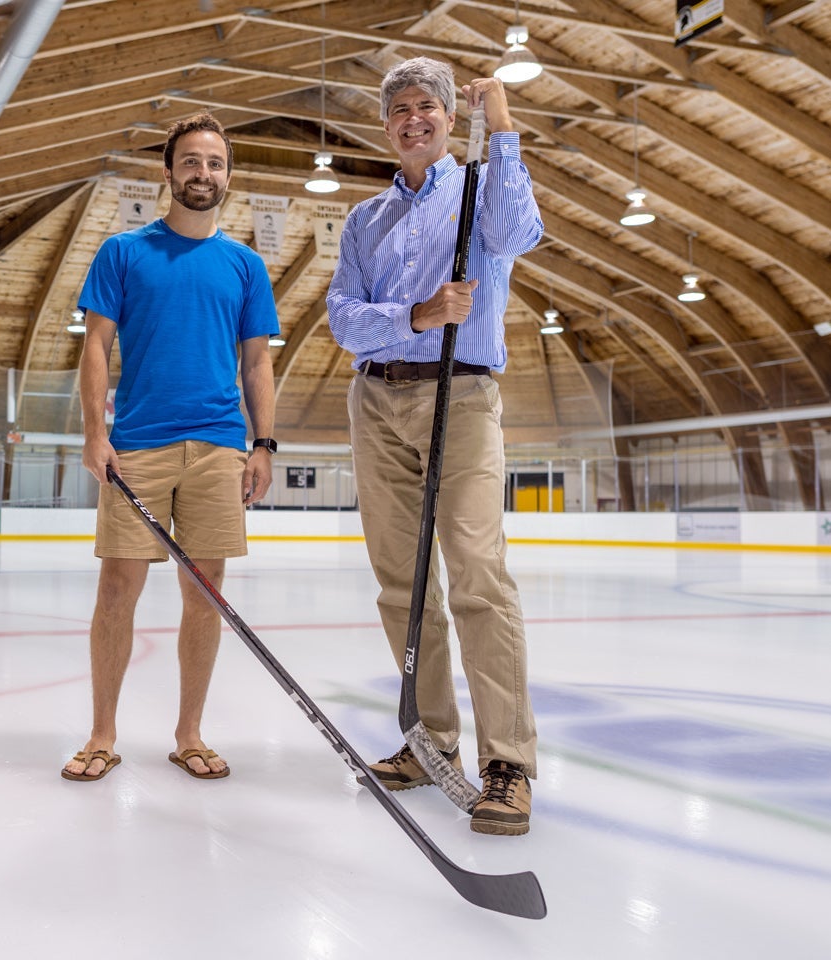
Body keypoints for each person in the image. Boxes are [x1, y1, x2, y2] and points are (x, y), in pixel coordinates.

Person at [326, 58, 542, 835]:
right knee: (400, 582)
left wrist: (506, 127)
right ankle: (429, 740)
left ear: (451, 119)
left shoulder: (480, 191)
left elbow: (521, 233)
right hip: (376, 396)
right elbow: (343, 319)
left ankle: (507, 762)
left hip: (464, 393)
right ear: (386, 127)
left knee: (478, 577)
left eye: (427, 107)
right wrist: (415, 316)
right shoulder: (363, 219)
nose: (413, 119)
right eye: (399, 110)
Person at [61, 114, 279, 783]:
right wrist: (96, 432)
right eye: (190, 161)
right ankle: (102, 731)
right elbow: (95, 345)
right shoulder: (124, 253)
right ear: (168, 172)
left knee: (204, 594)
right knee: (118, 590)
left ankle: (189, 732)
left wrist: (263, 442)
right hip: (138, 447)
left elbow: (256, 365)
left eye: (214, 163)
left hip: (218, 448)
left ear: (228, 177)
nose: (202, 173)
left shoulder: (245, 265)